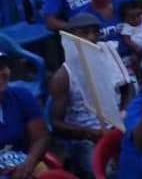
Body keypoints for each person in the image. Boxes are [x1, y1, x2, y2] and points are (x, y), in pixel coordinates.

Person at [50, 13, 135, 179]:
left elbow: (128, 88)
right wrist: (89, 133)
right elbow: (56, 124)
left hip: (118, 125)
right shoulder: (63, 76)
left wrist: (124, 111)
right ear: (72, 37)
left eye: (95, 32)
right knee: (107, 174)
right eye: (84, 32)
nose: (91, 37)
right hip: (87, 137)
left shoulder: (109, 55)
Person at [0, 51, 49, 178]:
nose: (2, 73)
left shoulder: (21, 95)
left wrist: (28, 165)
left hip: (24, 165)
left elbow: (40, 137)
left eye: (2, 67)